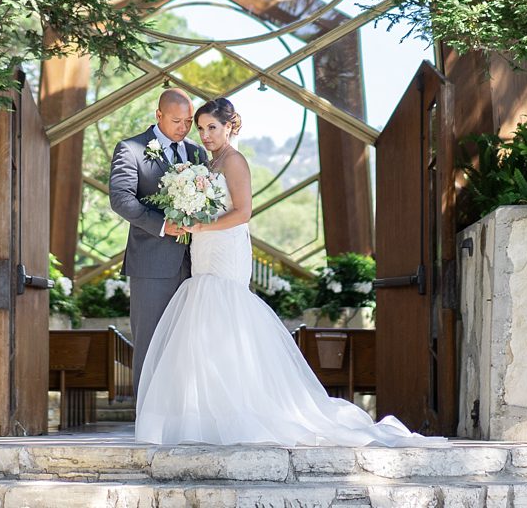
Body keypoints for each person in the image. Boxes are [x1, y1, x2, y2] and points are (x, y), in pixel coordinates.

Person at [134, 97, 442, 446]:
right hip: (203, 252)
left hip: (224, 250)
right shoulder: (208, 162)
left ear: (230, 125)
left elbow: (243, 212)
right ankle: (204, 415)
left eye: (212, 128)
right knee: (202, 326)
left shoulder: (234, 162)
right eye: (201, 128)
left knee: (223, 316)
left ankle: (237, 412)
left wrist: (201, 228)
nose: (204, 135)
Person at [108, 88, 206, 381]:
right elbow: (121, 199)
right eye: (177, 121)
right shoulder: (131, 149)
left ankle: (182, 419)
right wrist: (163, 226)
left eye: (189, 121)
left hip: (196, 265)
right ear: (158, 115)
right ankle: (148, 421)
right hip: (151, 265)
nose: (184, 128)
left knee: (188, 346)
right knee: (150, 344)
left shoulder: (197, 152)